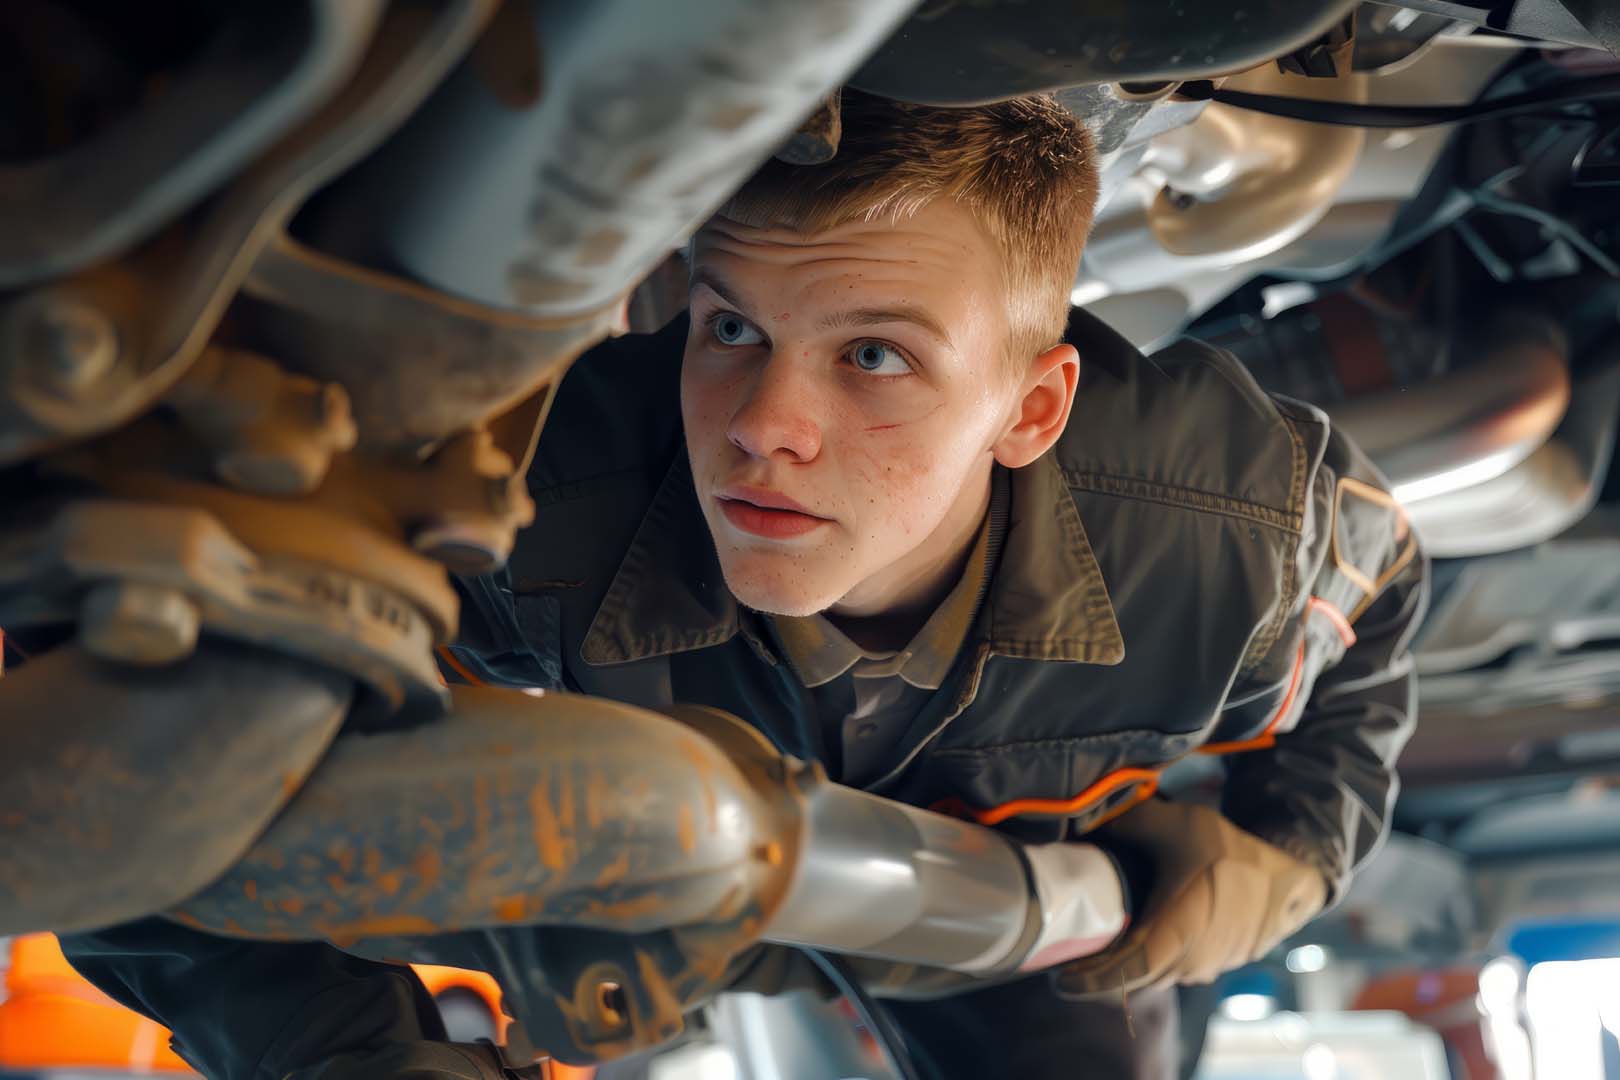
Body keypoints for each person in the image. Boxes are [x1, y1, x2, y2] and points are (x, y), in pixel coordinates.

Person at [63, 90, 1426, 1080]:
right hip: (665, 895)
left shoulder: (1223, 535)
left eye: (874, 356)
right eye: (731, 328)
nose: (762, 421)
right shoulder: (518, 502)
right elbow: (121, 800)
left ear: (1033, 407)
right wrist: (347, 1064)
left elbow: (1381, 598)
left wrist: (1296, 852)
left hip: (1022, 909)